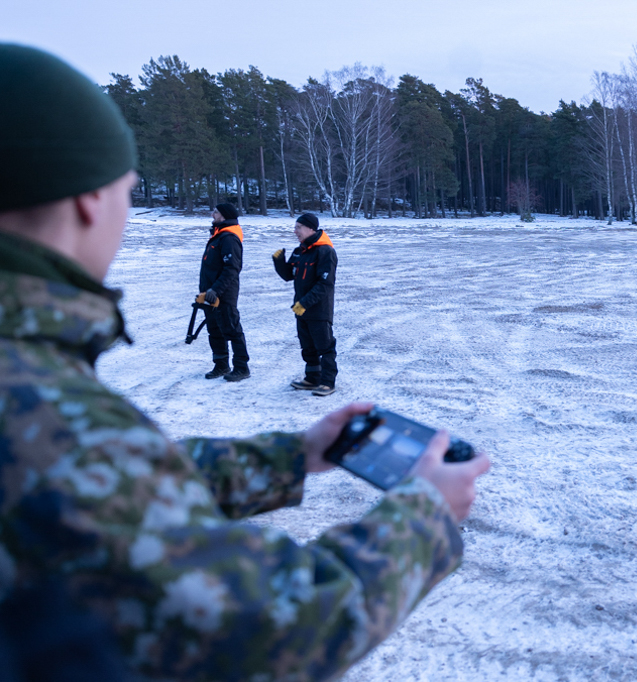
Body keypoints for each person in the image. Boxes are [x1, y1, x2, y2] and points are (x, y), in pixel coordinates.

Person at [0, 43, 490, 681]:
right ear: (90, 200)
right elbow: (264, 625)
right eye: (129, 190)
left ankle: (310, 376)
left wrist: (293, 456)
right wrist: (425, 517)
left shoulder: (39, 402)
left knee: (314, 347)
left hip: (309, 314)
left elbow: (103, 485)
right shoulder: (37, 400)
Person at [272, 213, 339, 396]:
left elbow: (325, 283)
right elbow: (288, 275)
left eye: (298, 228)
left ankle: (327, 382)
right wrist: (279, 262)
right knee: (307, 346)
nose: (295, 232)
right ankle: (312, 379)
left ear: (310, 228)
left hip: (318, 309)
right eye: (295, 228)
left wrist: (306, 303)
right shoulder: (300, 250)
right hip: (300, 308)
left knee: (324, 346)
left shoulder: (325, 251)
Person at [200, 201, 250, 381]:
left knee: (232, 330)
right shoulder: (218, 236)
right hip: (210, 293)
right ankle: (221, 365)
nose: (213, 214)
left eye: (216, 211)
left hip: (224, 294)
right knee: (214, 330)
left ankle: (242, 368)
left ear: (224, 215)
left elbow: (232, 268)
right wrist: (206, 291)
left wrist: (216, 289)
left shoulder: (229, 238)